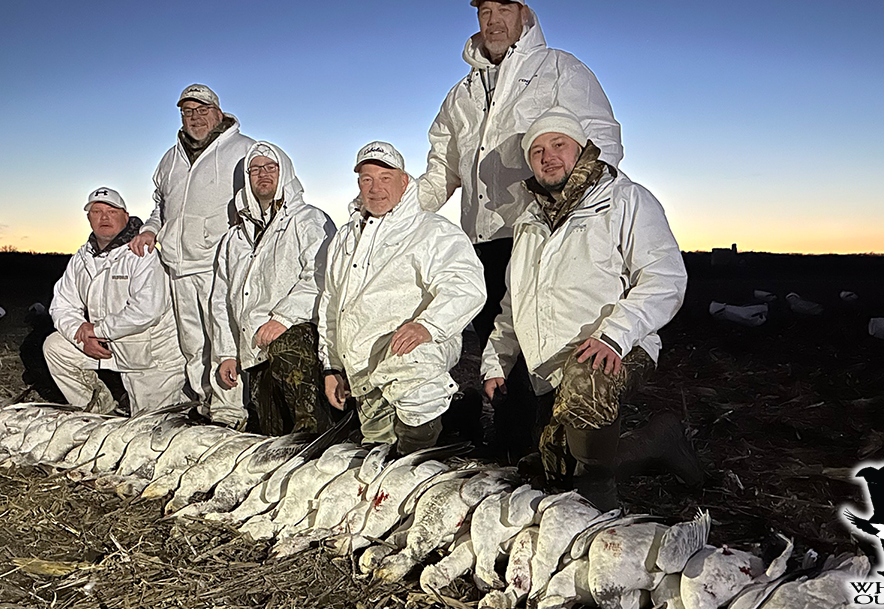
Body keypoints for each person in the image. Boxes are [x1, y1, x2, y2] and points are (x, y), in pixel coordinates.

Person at [418, 0, 623, 458]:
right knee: (499, 345)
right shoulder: (462, 95)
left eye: (504, 8)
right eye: (484, 10)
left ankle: (558, 452)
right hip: (481, 242)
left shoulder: (560, 70)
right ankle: (513, 448)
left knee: (543, 346)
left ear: (525, 14)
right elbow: (441, 170)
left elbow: (603, 143)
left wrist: (573, 215)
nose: (493, 19)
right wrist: (399, 210)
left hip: (542, 237)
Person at [481, 108, 698, 510]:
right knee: (548, 471)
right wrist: (496, 361)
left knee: (586, 391)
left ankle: (597, 502)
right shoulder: (528, 222)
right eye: (537, 150)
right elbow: (514, 303)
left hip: (616, 348)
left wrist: (614, 336)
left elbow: (665, 278)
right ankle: (657, 440)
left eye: (558, 144)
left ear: (580, 148)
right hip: (551, 367)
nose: (548, 156)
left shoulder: (623, 198)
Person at [318, 142, 486, 454]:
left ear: (405, 181)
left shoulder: (432, 231)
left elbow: (466, 286)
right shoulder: (345, 237)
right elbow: (331, 303)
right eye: (367, 179)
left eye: (385, 177)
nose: (375, 188)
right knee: (377, 446)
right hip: (363, 367)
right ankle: (455, 415)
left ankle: (422, 449)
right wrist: (332, 367)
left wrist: (428, 326)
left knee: (408, 444)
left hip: (411, 356)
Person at [129, 84, 255, 427]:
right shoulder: (170, 159)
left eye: (202, 110)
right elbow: (160, 205)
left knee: (223, 341)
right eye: (188, 112)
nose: (195, 118)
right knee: (192, 344)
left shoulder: (243, 151)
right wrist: (152, 229)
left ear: (218, 111)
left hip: (218, 265)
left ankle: (231, 413)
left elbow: (260, 199)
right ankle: (204, 404)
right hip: (178, 266)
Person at [212, 141, 336, 435]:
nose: (263, 174)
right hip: (256, 350)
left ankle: (318, 447)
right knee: (270, 433)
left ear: (285, 172)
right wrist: (227, 353)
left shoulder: (309, 220)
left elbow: (322, 277)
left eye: (271, 167)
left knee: (308, 431)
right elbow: (222, 299)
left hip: (297, 342)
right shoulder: (235, 238)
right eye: (255, 169)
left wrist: (282, 318)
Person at [45, 187, 187, 415]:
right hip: (108, 344)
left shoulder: (144, 253)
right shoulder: (82, 258)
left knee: (151, 428)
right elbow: (62, 305)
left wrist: (97, 330)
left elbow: (147, 310)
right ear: (88, 218)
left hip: (150, 355)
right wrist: (80, 334)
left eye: (111, 211)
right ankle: (99, 413)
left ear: (126, 216)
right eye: (97, 211)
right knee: (55, 347)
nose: (104, 217)